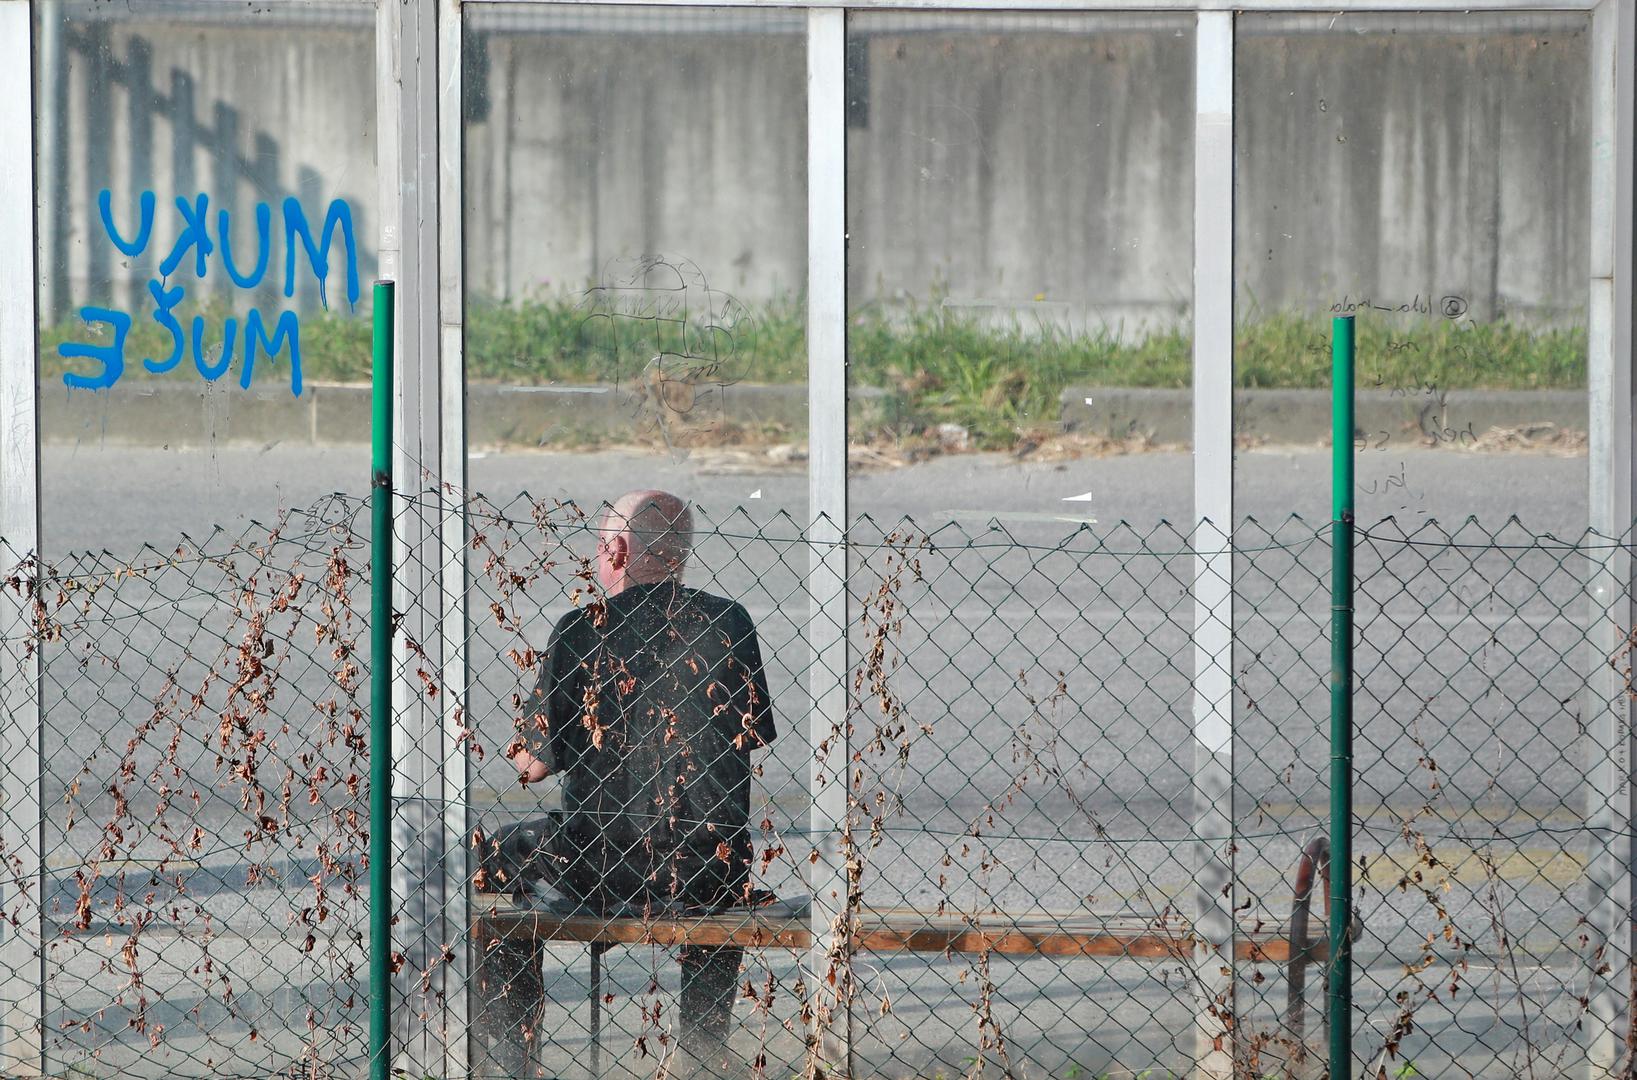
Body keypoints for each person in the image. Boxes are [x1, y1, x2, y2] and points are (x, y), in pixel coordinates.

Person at [507, 489, 777, 1075]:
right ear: (681, 555)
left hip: (596, 861)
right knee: (718, 879)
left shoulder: (581, 628)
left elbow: (533, 766)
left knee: (499, 859)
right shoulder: (729, 622)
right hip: (707, 864)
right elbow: (748, 733)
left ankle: (510, 1057)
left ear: (618, 549)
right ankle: (700, 1058)